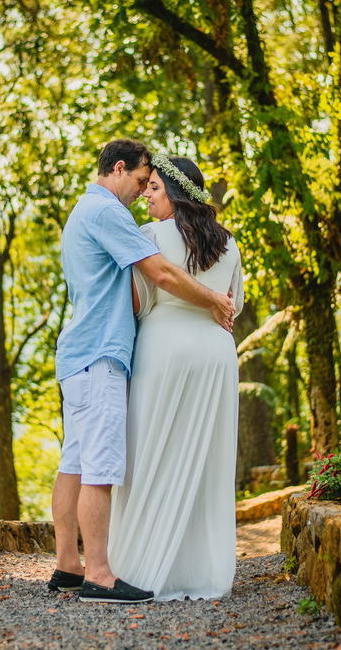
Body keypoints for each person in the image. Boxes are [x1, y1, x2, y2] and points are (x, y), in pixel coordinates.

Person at [50, 138, 235, 604]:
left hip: (80, 355)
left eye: (151, 185)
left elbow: (145, 292)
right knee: (100, 467)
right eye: (138, 181)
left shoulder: (82, 213)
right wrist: (214, 299)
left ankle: (69, 568)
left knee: (75, 462)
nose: (141, 193)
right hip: (102, 354)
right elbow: (162, 275)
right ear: (118, 170)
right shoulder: (109, 213)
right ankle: (100, 575)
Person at [108, 154, 243, 600]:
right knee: (206, 461)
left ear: (177, 194)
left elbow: (138, 302)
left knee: (150, 452)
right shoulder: (229, 243)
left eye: (155, 189)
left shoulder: (149, 237)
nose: (146, 194)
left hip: (165, 351)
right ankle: (204, 571)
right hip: (216, 355)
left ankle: (145, 569)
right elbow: (232, 306)